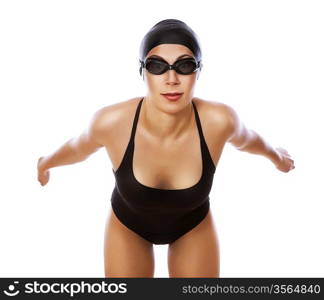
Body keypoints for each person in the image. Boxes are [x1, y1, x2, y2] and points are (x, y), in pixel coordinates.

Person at [37, 19, 295, 278]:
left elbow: (248, 140)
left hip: (192, 226)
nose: (172, 79)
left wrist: (277, 157)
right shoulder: (114, 122)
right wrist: (46, 163)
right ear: (142, 72)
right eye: (157, 66)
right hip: (128, 226)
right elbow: (78, 147)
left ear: (198, 71)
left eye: (184, 66)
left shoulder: (218, 120)